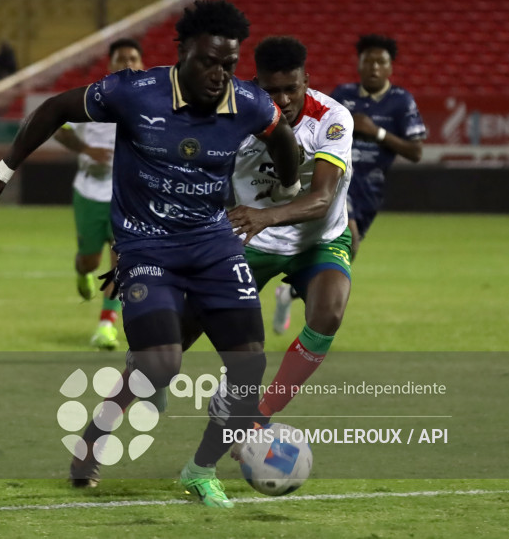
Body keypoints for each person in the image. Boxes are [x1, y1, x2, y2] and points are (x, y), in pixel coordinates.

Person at [0, 0, 301, 509]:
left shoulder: (246, 102)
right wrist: (2, 174)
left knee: (248, 367)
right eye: (209, 62)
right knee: (161, 364)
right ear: (182, 52)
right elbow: (54, 109)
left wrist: (288, 184)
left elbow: (282, 137)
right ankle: (93, 441)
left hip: (212, 245)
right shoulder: (134, 92)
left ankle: (200, 469)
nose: (220, 75)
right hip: (146, 246)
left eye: (229, 65)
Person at [69, 35, 354, 485]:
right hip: (243, 236)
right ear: (256, 83)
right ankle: (92, 439)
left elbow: (320, 198)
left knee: (329, 313)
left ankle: (246, 426)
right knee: (162, 353)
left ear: (306, 83)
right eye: (273, 90)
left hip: (316, 240)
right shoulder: (235, 115)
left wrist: (266, 215)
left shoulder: (333, 117)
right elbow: (198, 186)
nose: (284, 100)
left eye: (292, 90)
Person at [272, 34, 426, 334]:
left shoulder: (401, 101)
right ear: (358, 64)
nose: (373, 67)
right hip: (339, 178)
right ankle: (313, 305)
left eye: (380, 62)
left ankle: (289, 293)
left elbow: (416, 151)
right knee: (350, 239)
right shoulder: (342, 95)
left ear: (390, 68)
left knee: (348, 248)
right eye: (367, 61)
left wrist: (377, 132)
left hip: (371, 188)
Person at [53, 38, 145, 350]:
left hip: (128, 196)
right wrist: (86, 148)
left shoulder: (152, 101)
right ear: (110, 64)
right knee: (91, 261)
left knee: (121, 261)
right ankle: (82, 272)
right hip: (90, 192)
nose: (127, 64)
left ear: (142, 63)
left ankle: (107, 325)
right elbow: (58, 128)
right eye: (121, 58)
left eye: (133, 58)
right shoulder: (91, 98)